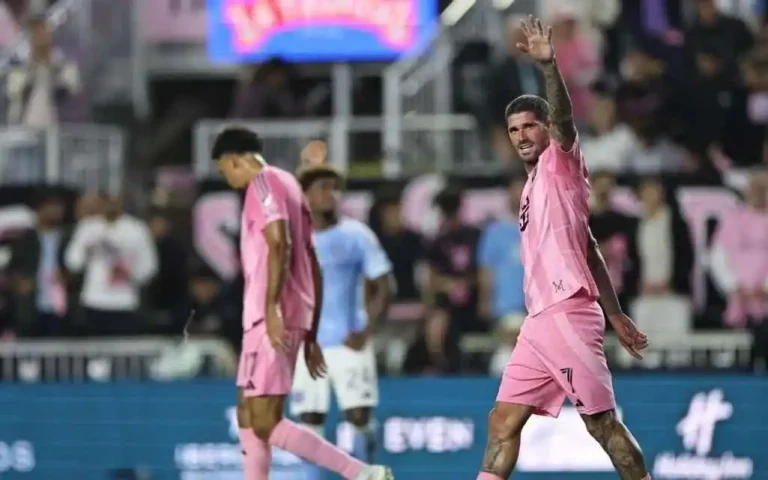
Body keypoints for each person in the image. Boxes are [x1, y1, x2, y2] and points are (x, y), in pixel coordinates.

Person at [475, 16, 650, 480]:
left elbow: (566, 120)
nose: (521, 136)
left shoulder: (560, 162)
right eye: (514, 130)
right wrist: (615, 313)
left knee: (602, 424)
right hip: (539, 320)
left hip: (568, 312)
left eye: (530, 126)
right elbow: (588, 248)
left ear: (546, 128)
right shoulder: (532, 186)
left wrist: (549, 67)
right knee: (502, 422)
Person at [210, 127, 392, 480]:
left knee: (269, 420)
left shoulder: (265, 184)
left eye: (224, 170)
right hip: (275, 320)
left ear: (233, 160)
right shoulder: (290, 194)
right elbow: (312, 266)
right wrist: (309, 333)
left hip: (278, 320)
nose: (227, 179)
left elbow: (280, 243)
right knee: (250, 413)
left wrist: (272, 309)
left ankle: (360, 470)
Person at [291, 163, 393, 480]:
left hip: (349, 341)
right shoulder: (292, 239)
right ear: (305, 196)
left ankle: (368, 470)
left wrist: (367, 330)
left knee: (358, 415)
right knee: (309, 419)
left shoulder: (356, 235)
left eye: (334, 188)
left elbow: (383, 285)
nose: (330, 194)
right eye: (322, 188)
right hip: (308, 345)